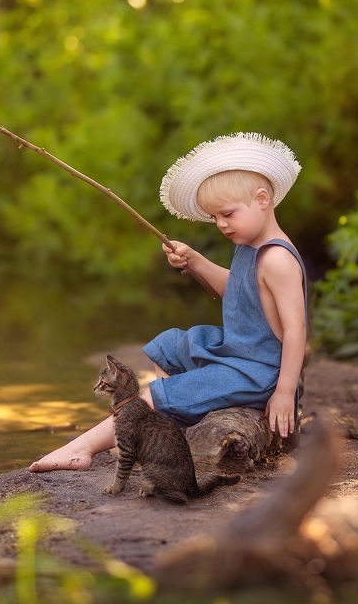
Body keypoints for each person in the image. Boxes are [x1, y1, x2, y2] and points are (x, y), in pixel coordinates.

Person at [29, 132, 307, 473]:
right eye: (215, 218)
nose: (221, 224)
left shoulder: (277, 259)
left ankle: (81, 448)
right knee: (174, 345)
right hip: (239, 353)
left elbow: (295, 330)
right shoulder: (250, 246)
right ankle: (169, 428)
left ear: (262, 199)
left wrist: (284, 392)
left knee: (161, 392)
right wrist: (196, 262)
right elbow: (238, 290)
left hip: (258, 371)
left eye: (227, 214)